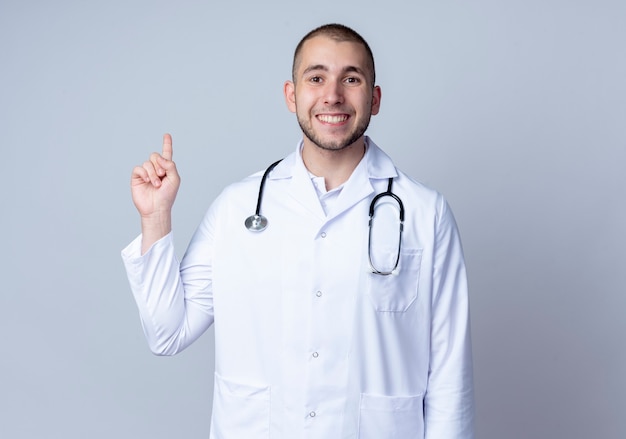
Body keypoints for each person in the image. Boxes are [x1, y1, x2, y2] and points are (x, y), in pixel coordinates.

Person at [122, 23, 474, 439]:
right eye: (316, 77)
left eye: (352, 78)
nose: (333, 95)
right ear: (292, 95)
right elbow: (167, 333)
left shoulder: (424, 213)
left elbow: (451, 375)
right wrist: (155, 217)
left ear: (374, 99)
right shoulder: (237, 207)